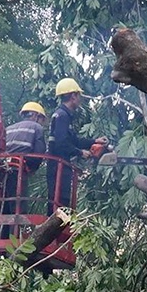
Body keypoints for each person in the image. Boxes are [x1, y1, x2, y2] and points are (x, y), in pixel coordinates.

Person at [46, 79, 105, 211]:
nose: (80, 99)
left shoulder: (63, 114)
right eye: (79, 95)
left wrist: (95, 141)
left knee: (60, 203)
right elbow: (61, 144)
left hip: (59, 166)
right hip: (58, 167)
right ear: (73, 96)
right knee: (60, 203)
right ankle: (54, 230)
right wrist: (80, 153)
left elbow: (74, 140)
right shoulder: (62, 116)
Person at [2, 101, 48, 214]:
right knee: (18, 208)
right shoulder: (36, 127)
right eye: (42, 120)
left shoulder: (9, 128)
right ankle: (16, 232)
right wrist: (32, 168)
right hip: (19, 170)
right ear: (35, 115)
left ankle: (3, 231)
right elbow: (39, 153)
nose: (41, 123)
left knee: (4, 207)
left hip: (2, 171)